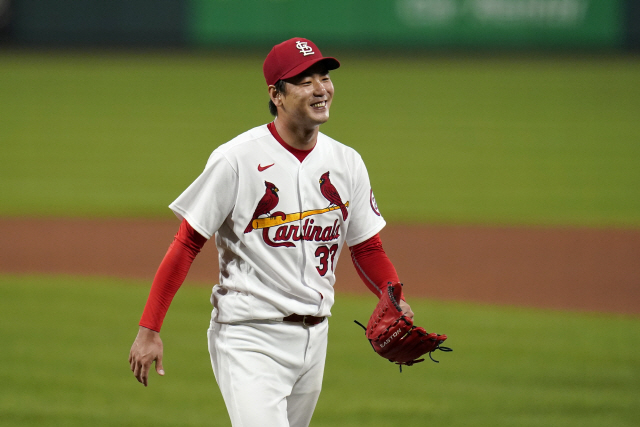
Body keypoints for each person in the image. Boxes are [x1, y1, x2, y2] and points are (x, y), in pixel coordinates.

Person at [129, 37, 415, 427]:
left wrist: (392, 294)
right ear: (276, 95)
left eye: (324, 77)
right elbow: (185, 245)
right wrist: (149, 330)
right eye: (304, 80)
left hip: (316, 338)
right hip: (249, 337)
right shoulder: (236, 159)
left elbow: (367, 247)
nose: (321, 88)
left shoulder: (347, 162)